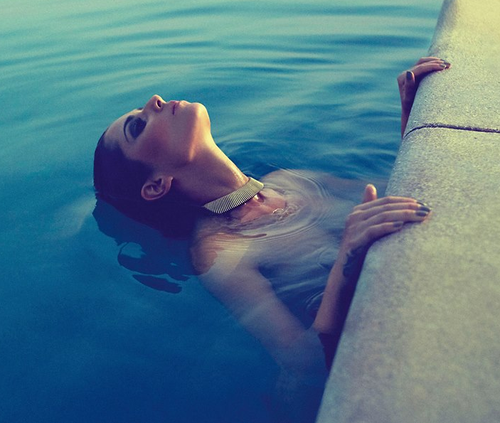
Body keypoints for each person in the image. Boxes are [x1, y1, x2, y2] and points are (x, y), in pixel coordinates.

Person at [93, 57, 450, 371]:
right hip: (396, 342)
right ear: (156, 185)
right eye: (137, 126)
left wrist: (412, 123)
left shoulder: (290, 181)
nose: (154, 100)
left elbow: (401, 192)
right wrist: (350, 254)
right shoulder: (218, 251)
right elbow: (303, 359)